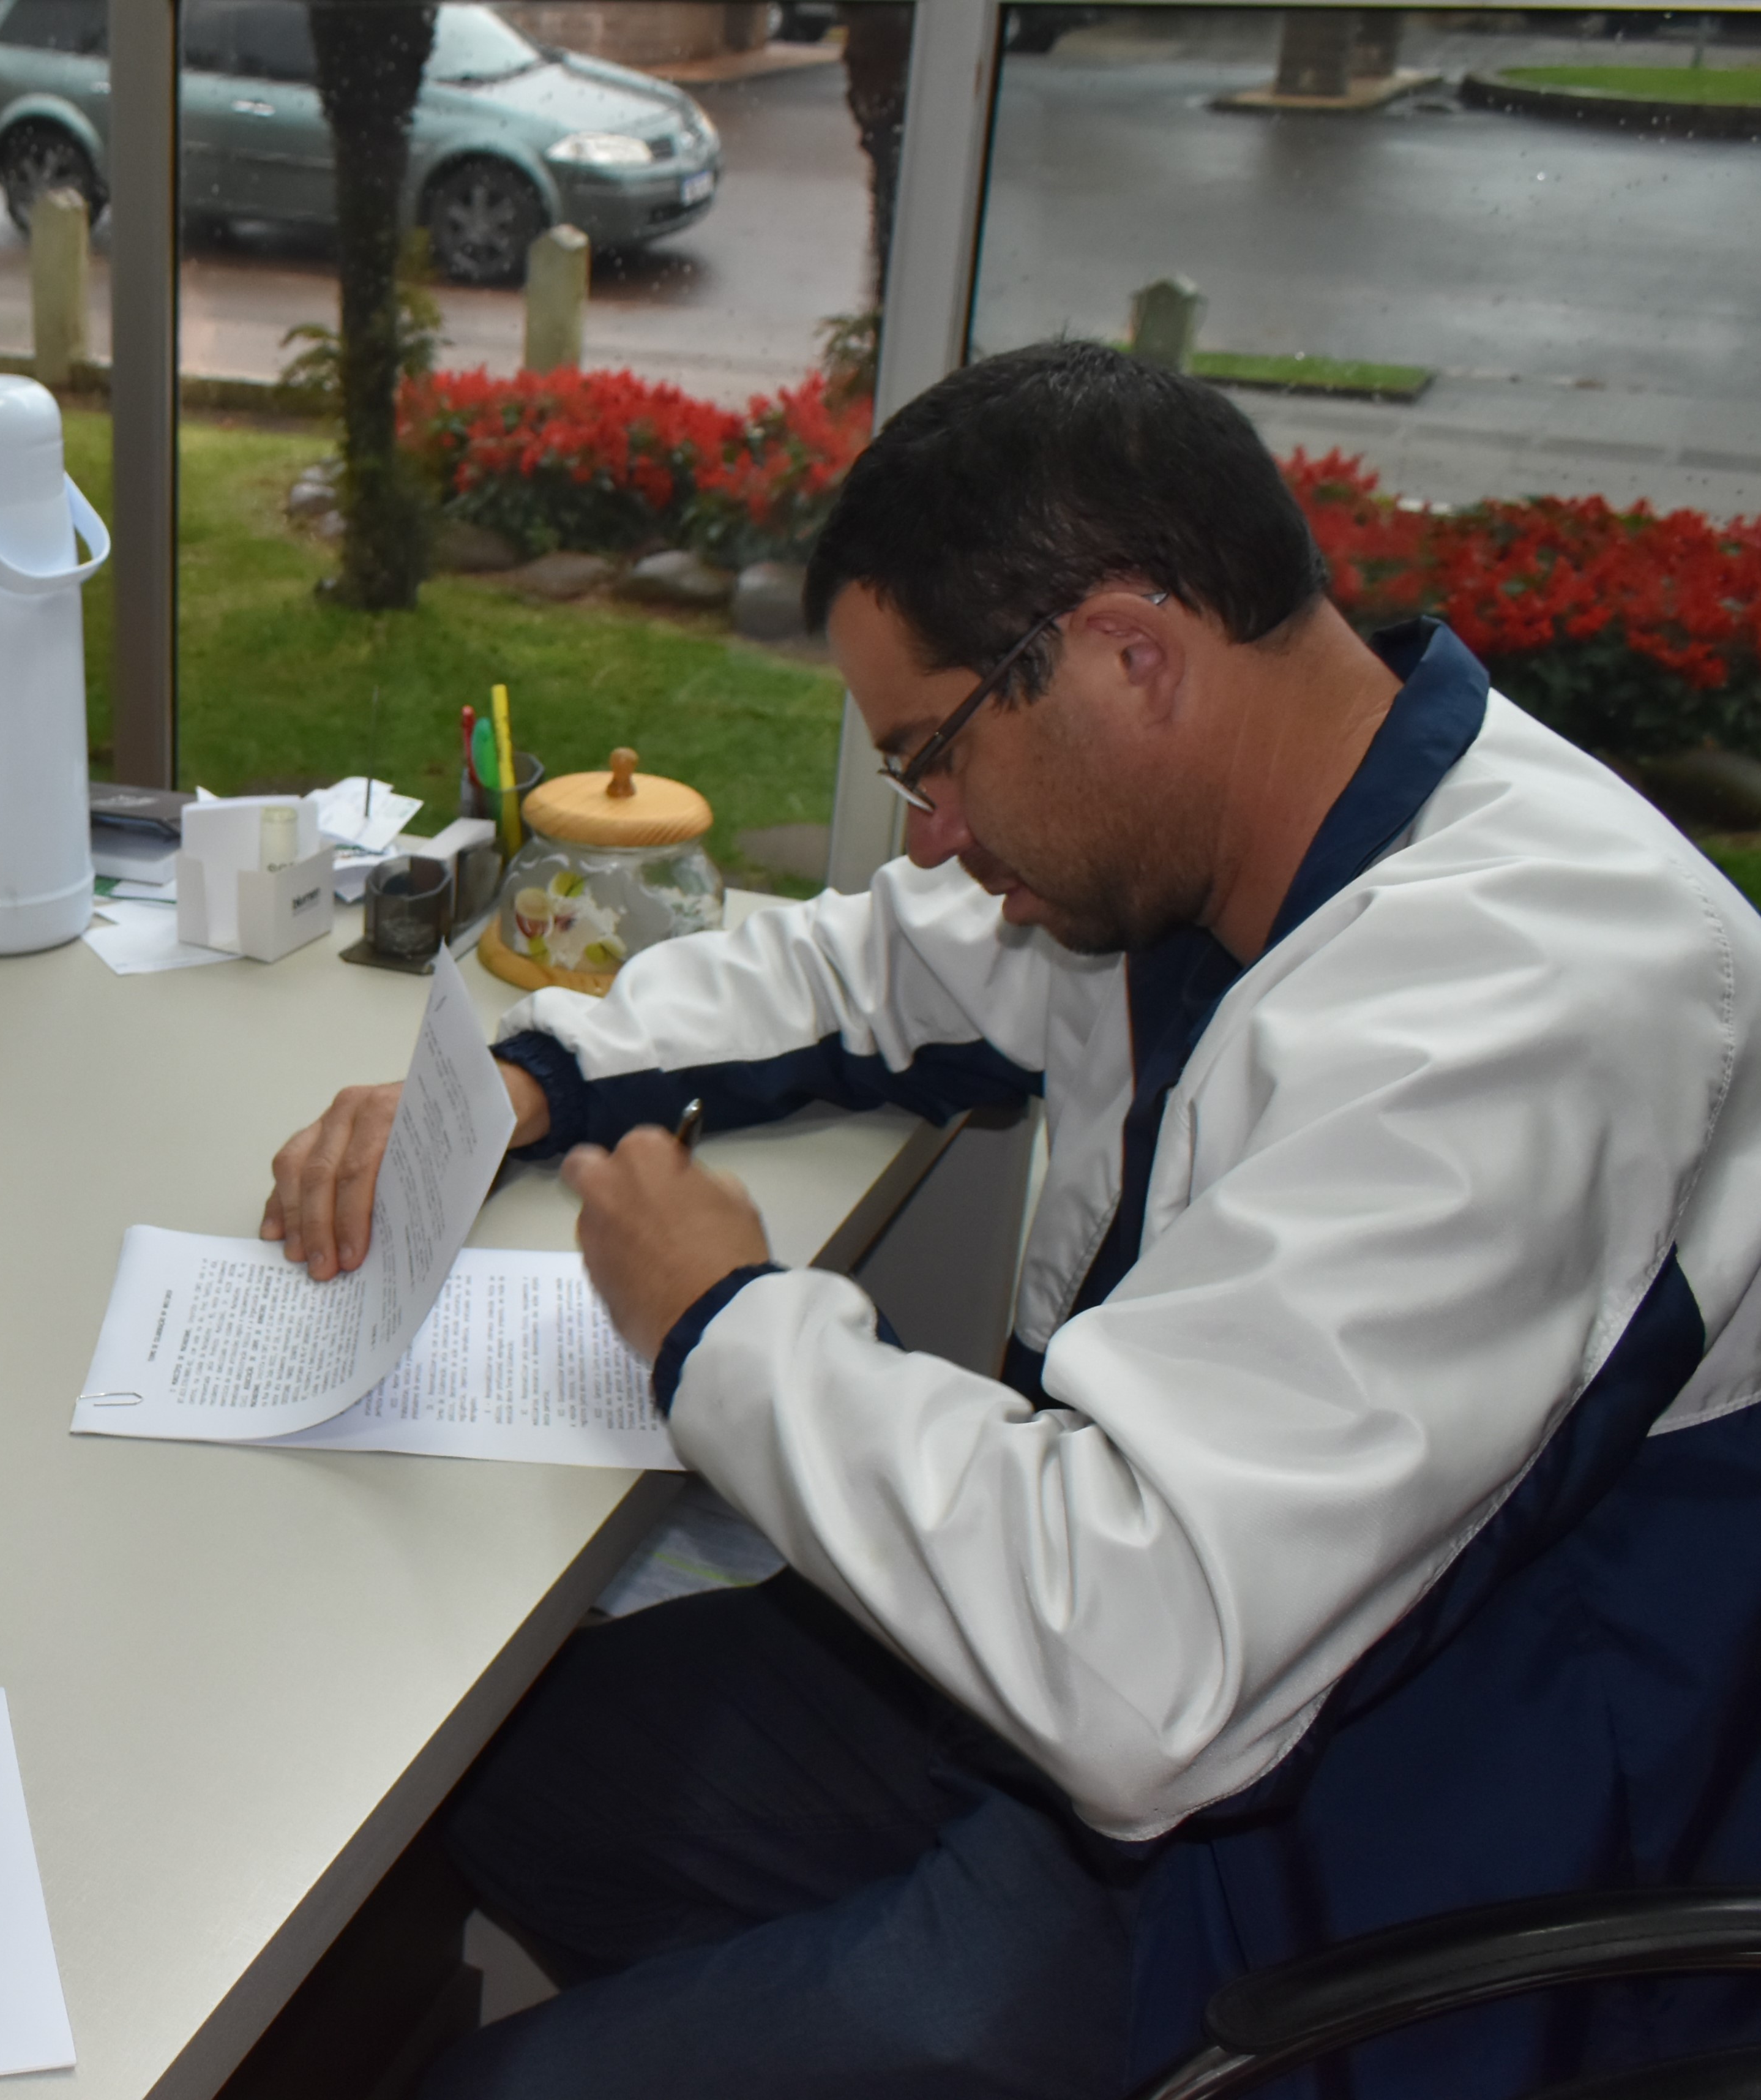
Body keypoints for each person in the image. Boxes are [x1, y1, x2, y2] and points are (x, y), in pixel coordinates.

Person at [260, 342, 1761, 2094]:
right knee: (499, 1768)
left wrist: (718, 1319)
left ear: (1130, 654)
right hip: (1117, 1727)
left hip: (1343, 1843)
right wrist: (532, 1074)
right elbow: (868, 962)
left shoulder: (1519, 1003)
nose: (935, 834)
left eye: (934, 758)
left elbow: (1146, 1671)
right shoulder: (1228, 841)